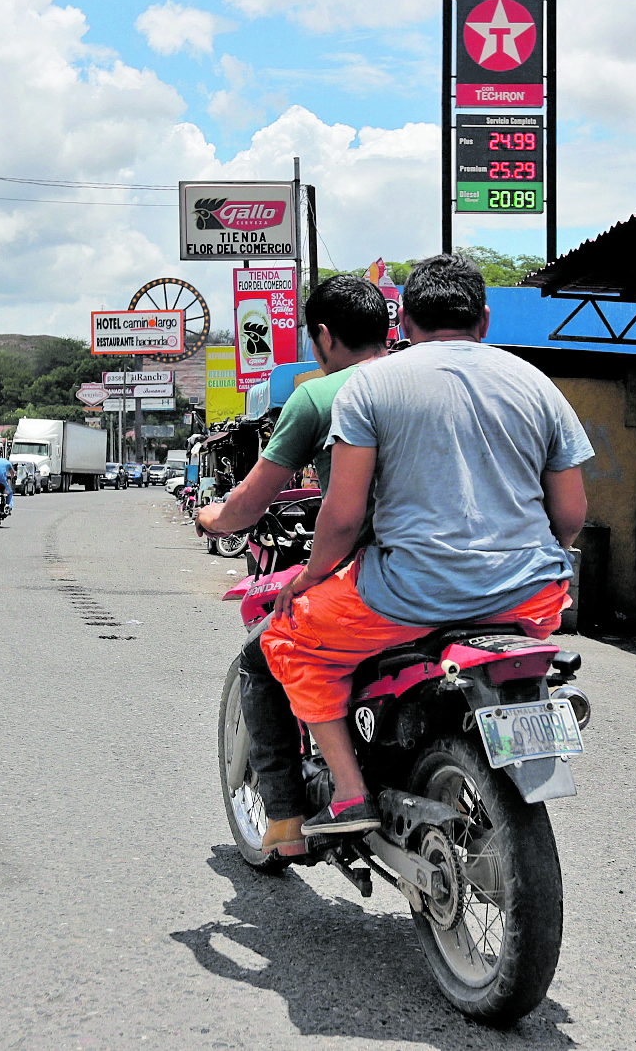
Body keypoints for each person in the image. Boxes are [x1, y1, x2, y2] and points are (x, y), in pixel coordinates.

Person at [261, 253, 593, 836]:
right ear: (485, 321)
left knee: (289, 634)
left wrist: (308, 578)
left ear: (405, 324)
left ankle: (348, 791)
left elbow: (341, 519)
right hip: (530, 598)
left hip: (410, 596)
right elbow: (570, 514)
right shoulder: (537, 384)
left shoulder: (369, 386)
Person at [197, 274, 390, 857]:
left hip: (378, 577)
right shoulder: (432, 382)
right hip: (506, 578)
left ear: (324, 337)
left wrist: (213, 519)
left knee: (267, 650)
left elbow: (260, 502)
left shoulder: (321, 395)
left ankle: (283, 820)